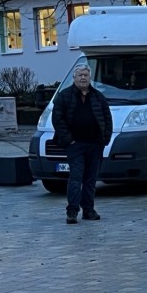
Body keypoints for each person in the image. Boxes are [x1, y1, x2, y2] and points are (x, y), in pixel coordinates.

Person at [52, 64, 113, 225]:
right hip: (75, 145)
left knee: (91, 179)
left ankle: (88, 210)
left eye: (85, 75)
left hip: (95, 145)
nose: (83, 78)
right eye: (80, 75)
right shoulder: (64, 96)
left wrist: (104, 140)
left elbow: (107, 119)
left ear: (90, 77)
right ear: (74, 78)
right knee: (76, 178)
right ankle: (72, 211)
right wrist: (69, 140)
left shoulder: (98, 97)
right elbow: (57, 120)